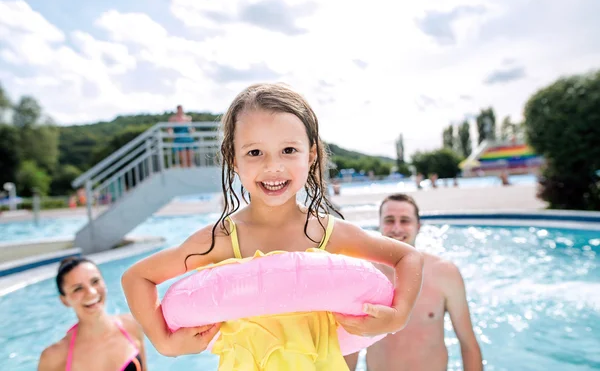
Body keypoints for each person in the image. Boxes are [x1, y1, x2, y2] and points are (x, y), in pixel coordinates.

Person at [121, 83, 424, 370]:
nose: (273, 166)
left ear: (312, 155)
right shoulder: (224, 240)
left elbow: (408, 257)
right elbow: (137, 277)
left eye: (288, 150)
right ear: (234, 160)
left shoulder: (327, 233)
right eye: (255, 152)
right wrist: (164, 343)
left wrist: (398, 317)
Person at [344, 193, 483, 371]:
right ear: (379, 225)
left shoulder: (445, 274)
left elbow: (468, 343)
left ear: (418, 226)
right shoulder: (363, 275)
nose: (396, 228)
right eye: (389, 220)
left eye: (404, 221)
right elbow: (350, 348)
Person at [38, 257, 147, 371]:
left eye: (95, 281)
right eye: (78, 289)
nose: (91, 293)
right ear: (64, 300)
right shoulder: (53, 357)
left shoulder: (132, 325)